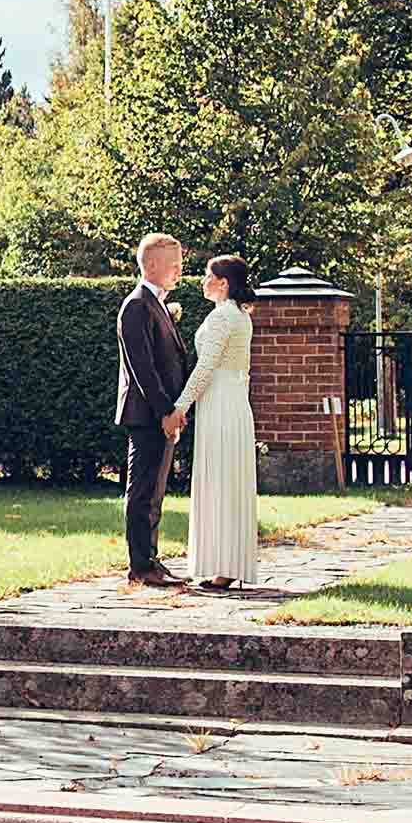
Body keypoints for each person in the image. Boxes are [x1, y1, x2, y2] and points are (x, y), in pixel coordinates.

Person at [110, 234, 190, 588]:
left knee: (155, 491)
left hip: (163, 414)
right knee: (142, 491)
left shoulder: (157, 304)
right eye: (174, 264)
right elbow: (143, 367)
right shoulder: (136, 305)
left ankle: (151, 559)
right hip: (147, 415)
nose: (179, 271)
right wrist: (165, 411)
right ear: (152, 265)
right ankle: (140, 566)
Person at [177, 252, 261, 588]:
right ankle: (224, 564)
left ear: (223, 283)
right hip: (235, 401)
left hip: (221, 403)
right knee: (228, 481)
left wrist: (180, 406)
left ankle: (224, 567)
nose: (203, 281)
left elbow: (205, 368)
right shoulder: (240, 315)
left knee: (220, 481)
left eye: (208, 276)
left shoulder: (223, 317)